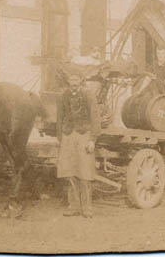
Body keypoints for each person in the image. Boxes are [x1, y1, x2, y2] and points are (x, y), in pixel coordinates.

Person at [56, 67, 101, 218]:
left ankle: (87, 208)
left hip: (84, 135)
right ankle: (73, 206)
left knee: (85, 171)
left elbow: (95, 117)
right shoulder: (63, 96)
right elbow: (59, 118)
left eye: (76, 79)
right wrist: (60, 138)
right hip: (68, 135)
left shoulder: (88, 95)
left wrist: (92, 139)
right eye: (71, 79)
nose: (74, 82)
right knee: (69, 171)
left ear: (81, 80)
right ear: (68, 81)